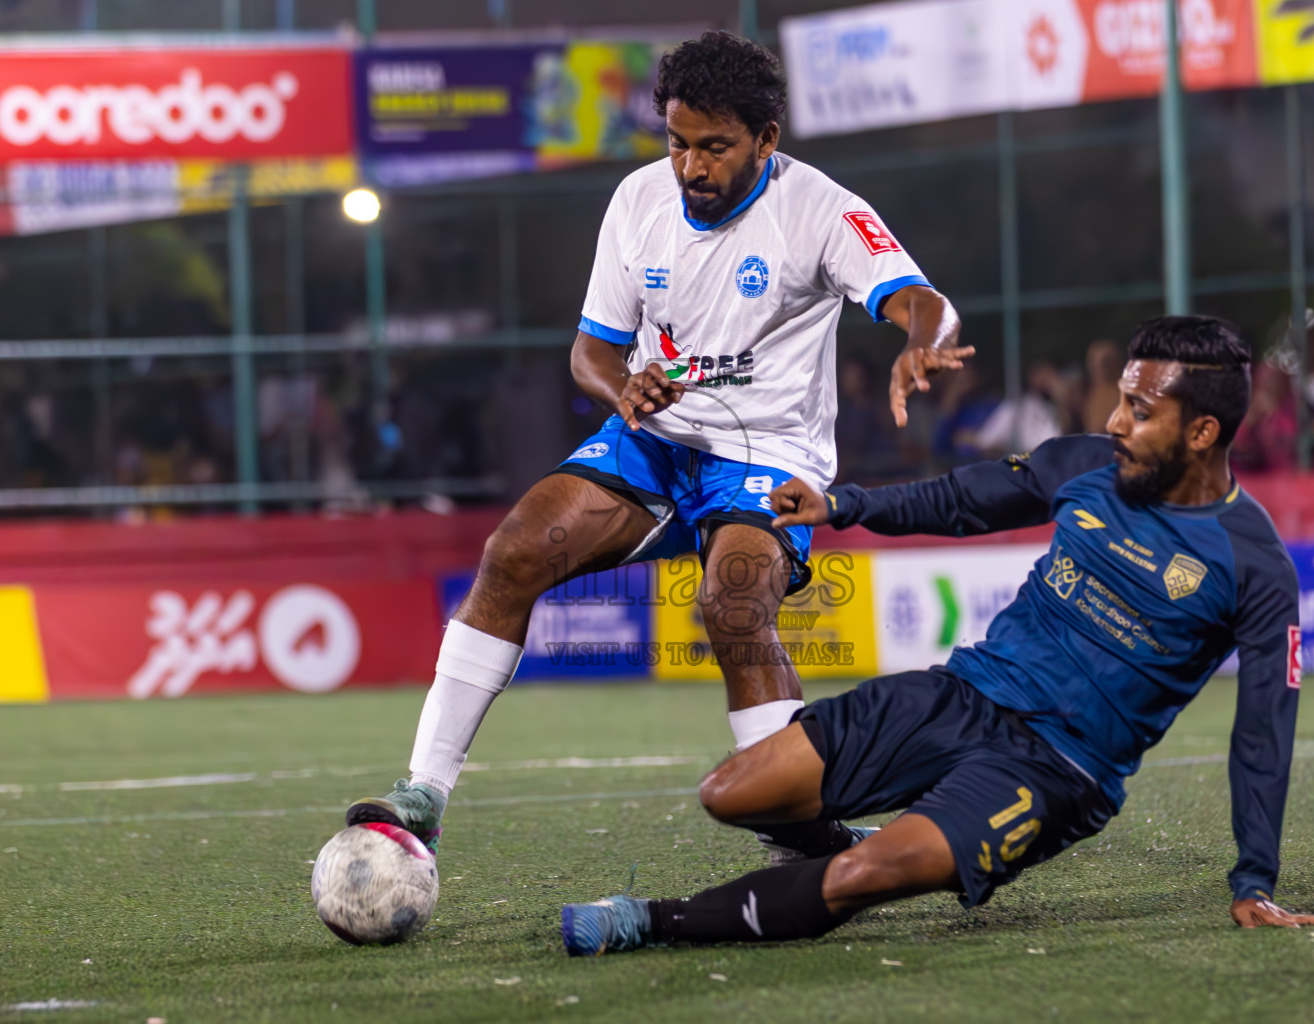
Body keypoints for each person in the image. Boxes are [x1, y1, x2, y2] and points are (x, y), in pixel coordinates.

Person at [346, 32, 968, 855]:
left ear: (766, 142)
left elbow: (923, 300)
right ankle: (422, 792)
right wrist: (623, 388)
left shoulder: (820, 208)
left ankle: (797, 828)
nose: (691, 167)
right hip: (652, 443)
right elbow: (591, 352)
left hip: (766, 454)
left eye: (715, 147)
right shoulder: (638, 202)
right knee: (514, 549)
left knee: (733, 603)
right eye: (678, 143)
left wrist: (919, 342)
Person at [560, 316, 1314, 956]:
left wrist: (1254, 881)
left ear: (1202, 431)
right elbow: (965, 500)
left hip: (1056, 770)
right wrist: (845, 504)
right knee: (731, 794)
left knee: (865, 873)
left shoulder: (1253, 565)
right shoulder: (1084, 464)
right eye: (1121, 400)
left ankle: (647, 920)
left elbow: (1264, 731)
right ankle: (869, 836)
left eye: (1139, 410)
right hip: (962, 696)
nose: (1113, 421)